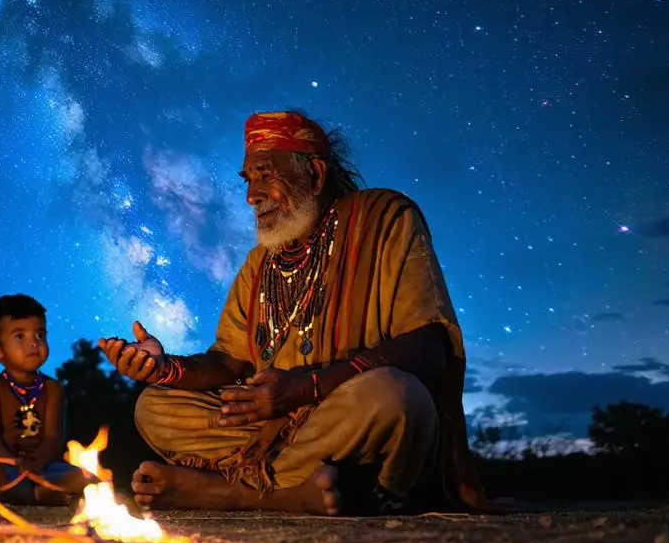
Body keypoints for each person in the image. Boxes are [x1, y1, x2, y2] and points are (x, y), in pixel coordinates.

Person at [99, 110, 500, 515]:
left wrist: (307, 387)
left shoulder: (386, 217)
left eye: (265, 174)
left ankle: (235, 493)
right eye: (248, 180)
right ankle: (297, 491)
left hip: (347, 415)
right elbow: (228, 361)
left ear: (316, 175)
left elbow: (430, 345)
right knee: (154, 406)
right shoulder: (260, 263)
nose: (251, 196)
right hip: (273, 427)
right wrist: (166, 368)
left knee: (398, 397)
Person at [0, 294, 88, 505]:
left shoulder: (52, 388)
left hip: (44, 467)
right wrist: (15, 462)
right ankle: (33, 493)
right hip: (7, 465)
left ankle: (33, 493)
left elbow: (53, 436)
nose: (33, 344)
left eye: (39, 335)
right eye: (20, 336)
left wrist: (36, 464)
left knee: (89, 478)